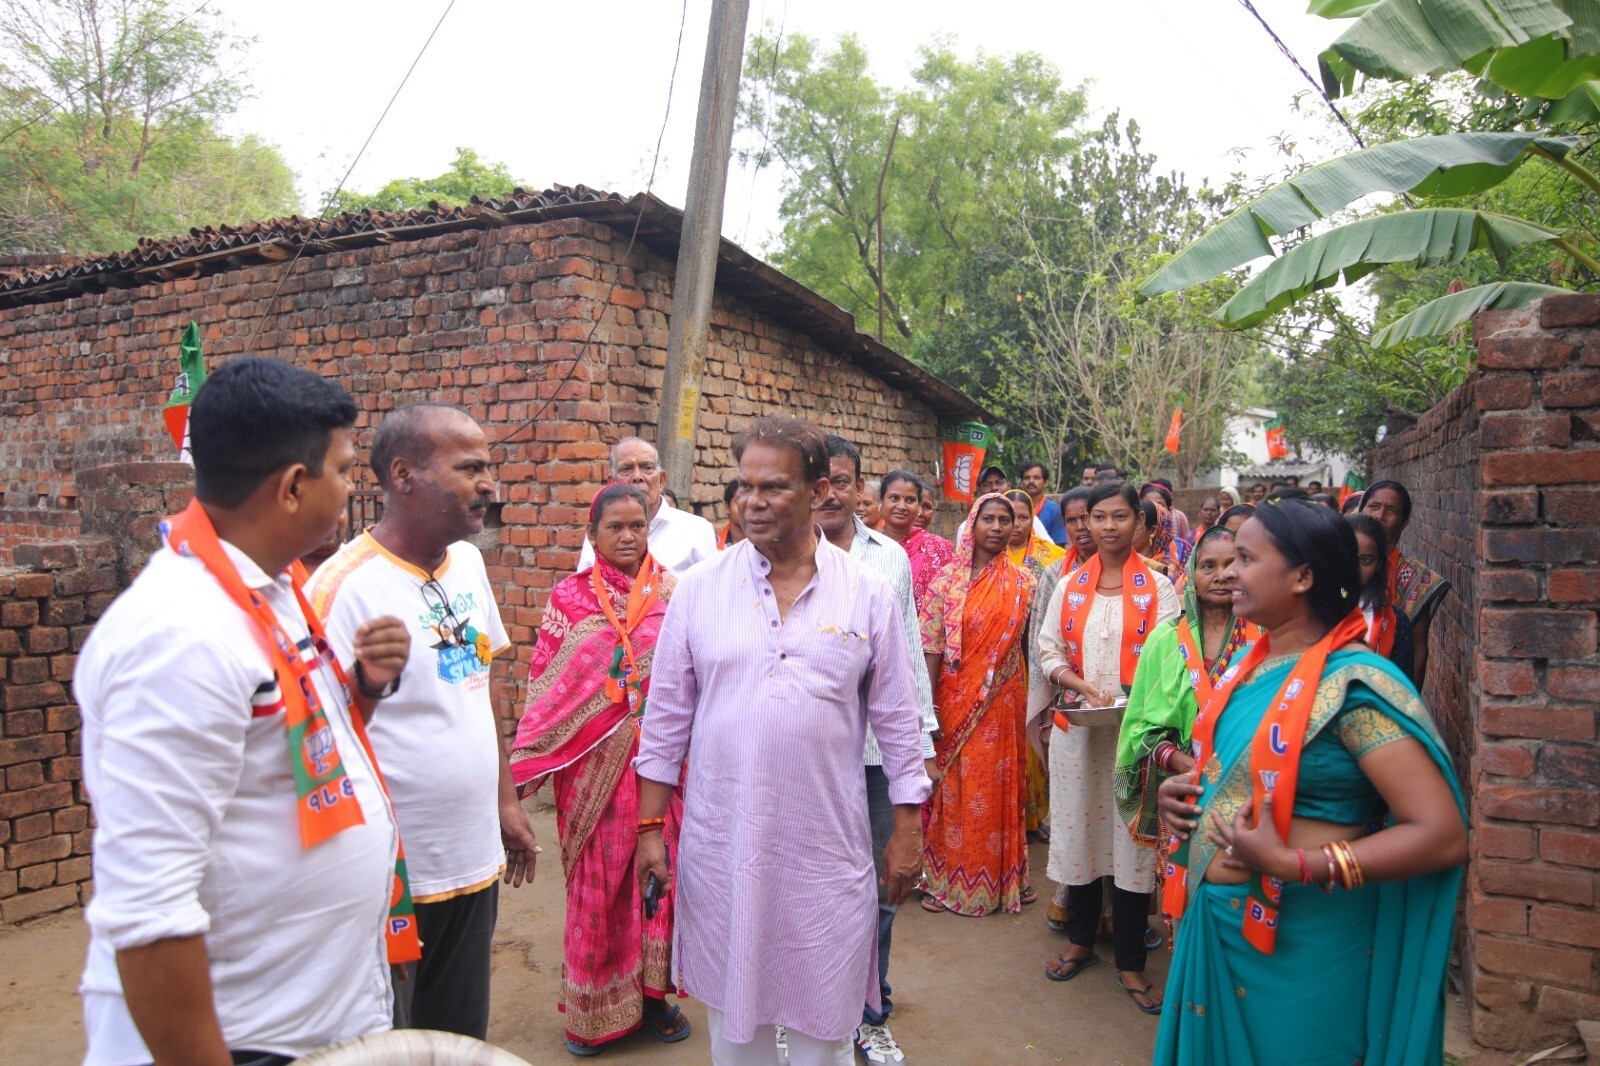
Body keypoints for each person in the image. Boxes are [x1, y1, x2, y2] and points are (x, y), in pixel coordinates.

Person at [77, 357, 413, 1066]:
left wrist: (363, 688)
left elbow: (289, 751)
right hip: (246, 1038)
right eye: (343, 470)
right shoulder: (180, 638)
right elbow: (149, 910)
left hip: (315, 1014)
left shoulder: (274, 590)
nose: (352, 488)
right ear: (292, 488)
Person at [634, 415, 931, 1066]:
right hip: (727, 846)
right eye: (745, 487)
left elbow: (898, 722)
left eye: (773, 487)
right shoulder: (700, 591)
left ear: (820, 491)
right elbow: (665, 722)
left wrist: (908, 830)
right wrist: (649, 828)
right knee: (736, 1036)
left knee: (825, 1028)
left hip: (826, 849)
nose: (753, 502)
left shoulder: (867, 592)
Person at [1156, 501, 1467, 1065]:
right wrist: (1184, 794)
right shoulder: (1250, 666)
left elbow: (1441, 835)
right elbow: (1236, 772)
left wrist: (1295, 864)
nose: (1230, 573)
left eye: (1246, 559)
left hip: (1305, 943)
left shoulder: (1353, 685)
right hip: (1219, 926)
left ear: (1302, 576)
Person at [309, 404, 536, 1040]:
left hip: (473, 857)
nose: (488, 484)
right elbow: (315, 742)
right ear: (404, 475)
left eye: (488, 468)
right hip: (388, 876)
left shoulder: (467, 563)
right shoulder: (340, 589)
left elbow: (482, 682)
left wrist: (505, 800)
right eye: (470, 469)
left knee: (459, 1038)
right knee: (393, 1042)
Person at [509, 483, 690, 1056]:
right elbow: (548, 686)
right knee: (601, 885)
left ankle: (653, 999)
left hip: (660, 770)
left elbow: (692, 678)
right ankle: (593, 1011)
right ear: (592, 535)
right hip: (592, 774)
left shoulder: (674, 592)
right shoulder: (569, 598)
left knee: (659, 880)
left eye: (638, 525)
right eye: (615, 527)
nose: (628, 536)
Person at [1035, 482, 1180, 1014]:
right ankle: (1080, 941)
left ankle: (1130, 962)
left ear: (1138, 522)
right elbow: (1048, 649)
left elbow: (1171, 655)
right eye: (1099, 517)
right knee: (1079, 829)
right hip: (1079, 733)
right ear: (1086, 523)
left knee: (1130, 838)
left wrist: (1132, 701)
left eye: (1121, 516)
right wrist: (1077, 684)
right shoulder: (1068, 586)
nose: (1109, 526)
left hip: (1135, 737)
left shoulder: (1159, 588)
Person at [819, 435, 938, 1065]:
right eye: (819, 481)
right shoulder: (779, 559)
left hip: (877, 755)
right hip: (810, 759)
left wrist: (920, 742)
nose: (830, 494)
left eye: (842, 482)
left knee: (883, 886)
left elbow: (910, 654)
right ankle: (810, 1012)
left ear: (858, 488)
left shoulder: (889, 558)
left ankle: (870, 1012)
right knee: (811, 886)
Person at [920, 493, 1036, 916]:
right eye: (989, 518)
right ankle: (947, 880)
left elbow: (1025, 647)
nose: (998, 527)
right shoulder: (945, 582)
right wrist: (928, 707)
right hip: (954, 700)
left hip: (1004, 700)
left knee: (1002, 786)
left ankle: (1006, 878)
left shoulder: (1024, 581)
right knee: (955, 789)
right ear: (973, 523)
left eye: (1006, 520)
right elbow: (931, 647)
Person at [1114, 527, 1259, 851]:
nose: (1221, 576)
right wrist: (1183, 762)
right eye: (1208, 566)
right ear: (1192, 574)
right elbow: (1139, 727)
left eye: (1232, 564)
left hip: (1251, 787)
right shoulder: (1163, 640)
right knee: (1180, 876)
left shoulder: (1265, 636)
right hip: (1181, 789)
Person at [578, 437, 716, 574]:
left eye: (647, 468)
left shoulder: (697, 531)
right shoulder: (600, 534)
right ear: (612, 483)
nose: (637, 476)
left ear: (661, 480)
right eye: (626, 469)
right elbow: (585, 584)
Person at [1361, 480, 1449, 687]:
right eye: (1374, 506)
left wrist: (1409, 700)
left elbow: (1418, 650)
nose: (1380, 515)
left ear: (1403, 523)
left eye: (1391, 511)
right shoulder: (1333, 562)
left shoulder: (1415, 578)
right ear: (1361, 508)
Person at [1348, 513, 1415, 684]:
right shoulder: (1311, 611)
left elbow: (1401, 688)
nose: (1354, 567)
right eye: (1347, 556)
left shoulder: (1396, 622)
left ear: (1378, 564)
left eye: (1365, 560)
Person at [878, 470, 955, 619]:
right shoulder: (865, 543)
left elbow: (953, 599)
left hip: (925, 632)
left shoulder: (939, 548)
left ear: (918, 505)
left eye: (910, 500)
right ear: (881, 500)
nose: (902, 506)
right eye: (894, 498)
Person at [1020, 462, 1068, 545]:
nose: (1031, 481)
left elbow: (1059, 546)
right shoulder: (1014, 509)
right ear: (1021, 483)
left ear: (1045, 483)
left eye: (1036, 478)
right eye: (1027, 478)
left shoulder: (1055, 510)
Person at [719, 476, 744, 549]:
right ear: (727, 507)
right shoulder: (714, 549)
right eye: (739, 502)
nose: (745, 508)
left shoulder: (769, 548)